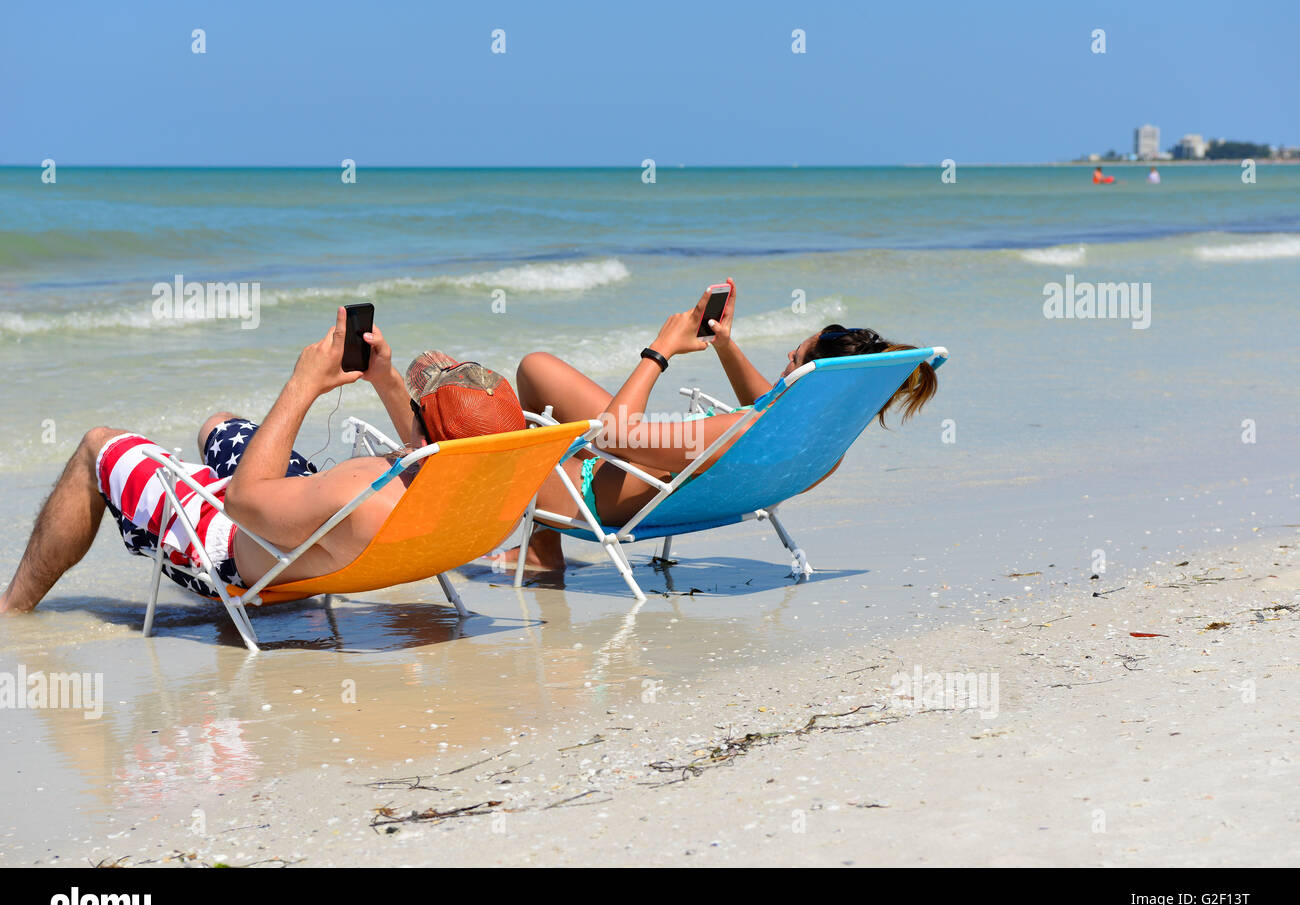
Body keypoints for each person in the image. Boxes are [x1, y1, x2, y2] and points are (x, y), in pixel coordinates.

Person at [0, 308, 515, 613]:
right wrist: (386, 380)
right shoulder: (481, 487)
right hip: (311, 533)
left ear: (426, 434)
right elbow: (431, 447)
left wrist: (304, 383)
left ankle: (11, 607)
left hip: (232, 551)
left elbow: (242, 503)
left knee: (96, 444)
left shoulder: (364, 491)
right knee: (219, 426)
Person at [497, 281, 938, 571]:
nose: (785, 362)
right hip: (650, 483)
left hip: (583, 497)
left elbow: (613, 437)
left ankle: (540, 546)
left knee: (521, 376)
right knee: (541, 370)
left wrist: (660, 349)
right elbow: (773, 407)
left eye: (792, 359)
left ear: (809, 375)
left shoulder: (739, 432)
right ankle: (540, 549)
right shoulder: (823, 450)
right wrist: (725, 345)